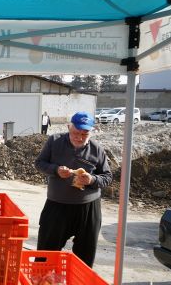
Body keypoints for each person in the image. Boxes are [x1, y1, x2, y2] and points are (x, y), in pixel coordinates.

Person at [34, 111, 112, 268]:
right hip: (57, 206)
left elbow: (107, 177)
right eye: (76, 133)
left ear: (92, 131)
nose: (79, 137)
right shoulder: (54, 141)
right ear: (69, 127)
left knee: (84, 257)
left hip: (88, 209)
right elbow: (40, 163)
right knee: (46, 254)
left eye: (85, 134)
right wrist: (56, 170)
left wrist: (92, 179)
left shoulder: (97, 150)